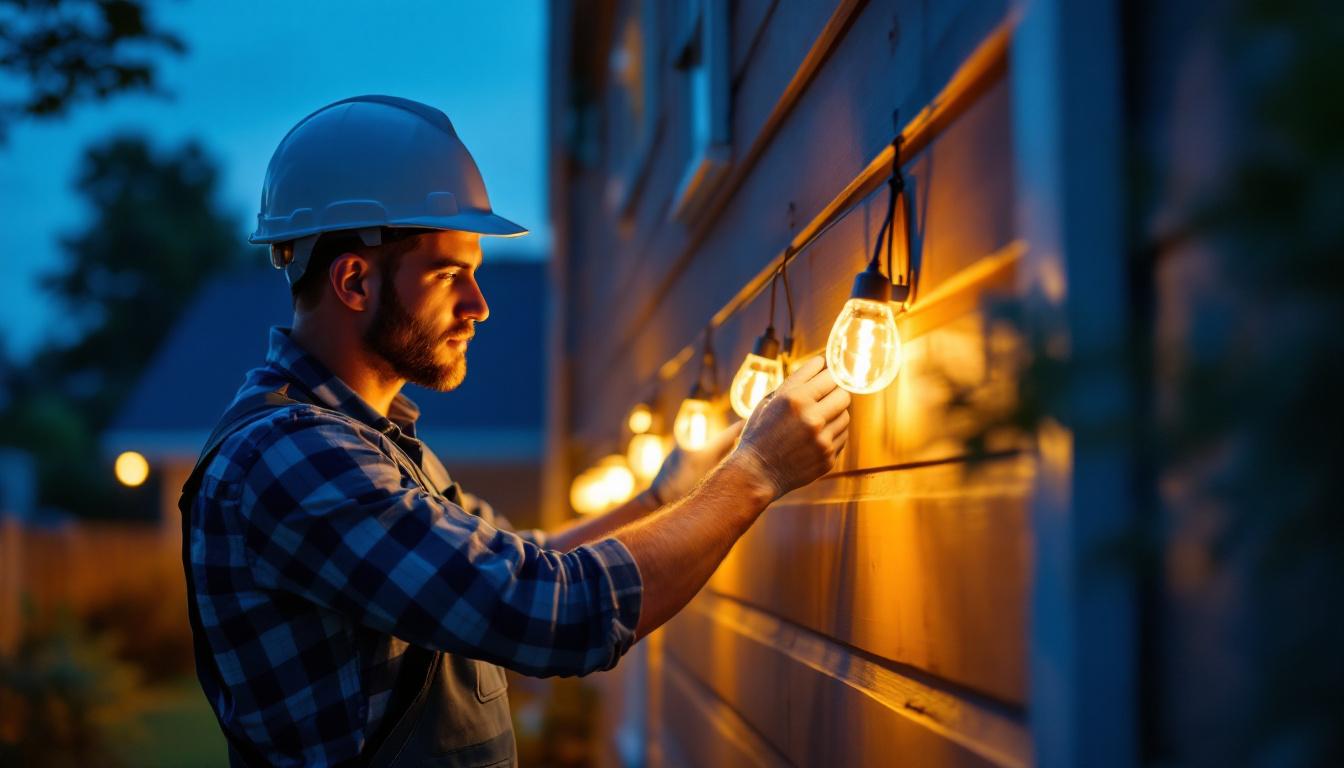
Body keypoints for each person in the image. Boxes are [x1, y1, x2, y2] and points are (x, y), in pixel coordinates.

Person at [180, 95, 850, 767]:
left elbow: (523, 556)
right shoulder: (293, 457)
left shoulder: (369, 444)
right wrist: (755, 474)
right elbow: (551, 611)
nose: (479, 306)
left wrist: (663, 497)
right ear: (354, 281)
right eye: (450, 275)